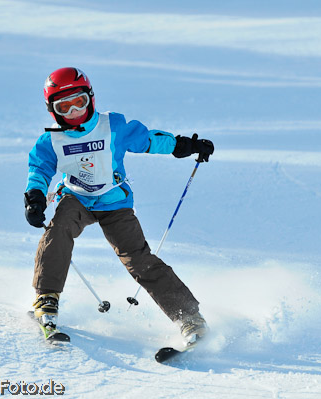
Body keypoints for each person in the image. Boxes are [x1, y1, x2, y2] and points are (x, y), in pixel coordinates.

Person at [24, 67, 214, 344]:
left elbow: (148, 140)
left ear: (91, 98)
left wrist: (181, 145)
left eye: (80, 101)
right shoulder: (51, 140)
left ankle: (189, 317)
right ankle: (46, 298)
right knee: (57, 231)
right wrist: (35, 196)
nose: (75, 111)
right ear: (53, 110)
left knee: (138, 258)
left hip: (115, 201)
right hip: (76, 197)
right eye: (64, 106)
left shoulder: (112, 126)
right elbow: (39, 170)